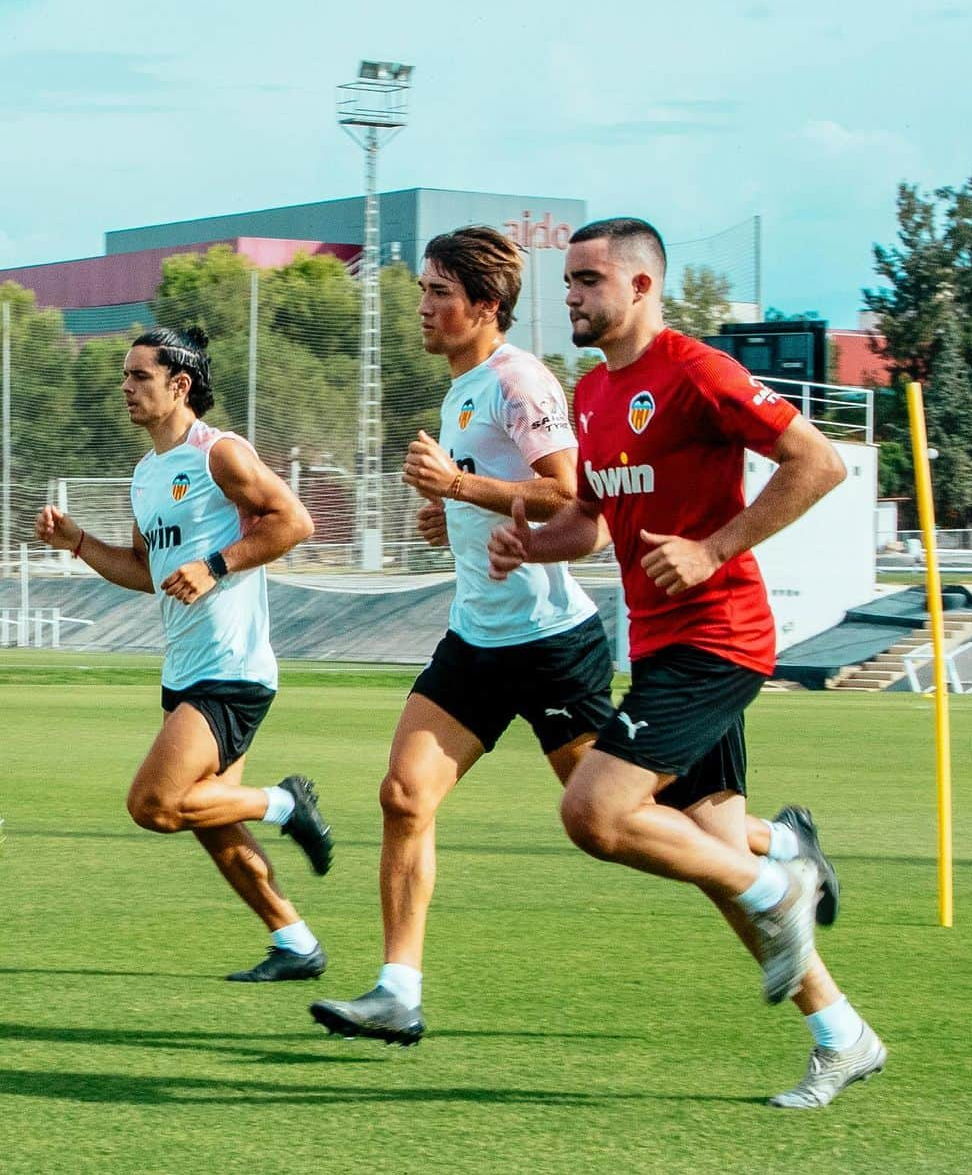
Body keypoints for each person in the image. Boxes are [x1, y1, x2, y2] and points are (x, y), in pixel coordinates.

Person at [309, 226, 838, 1050]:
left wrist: (460, 486)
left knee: (646, 820)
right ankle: (397, 991)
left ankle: (782, 867)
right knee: (405, 795)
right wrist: (455, 512)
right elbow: (579, 519)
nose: (422, 307)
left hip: (555, 645)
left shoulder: (526, 382)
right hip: (479, 640)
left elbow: (558, 493)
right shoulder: (510, 389)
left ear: (484, 306)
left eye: (437, 293)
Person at [488, 218, 886, 1108]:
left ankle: (782, 878)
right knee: (712, 860)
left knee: (593, 813)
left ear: (639, 286)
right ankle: (842, 1033)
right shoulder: (594, 395)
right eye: (569, 281)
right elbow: (590, 521)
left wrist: (713, 547)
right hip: (660, 643)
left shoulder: (697, 371)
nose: (572, 296)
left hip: (719, 639)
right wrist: (530, 544)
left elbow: (817, 463)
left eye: (588, 279)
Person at [34, 326, 334, 983]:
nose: (126, 387)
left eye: (140, 376)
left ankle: (286, 804)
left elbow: (295, 522)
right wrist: (79, 542)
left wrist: (217, 565)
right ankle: (294, 940)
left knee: (153, 804)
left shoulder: (218, 454)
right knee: (210, 817)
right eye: (125, 376)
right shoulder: (146, 475)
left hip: (232, 667)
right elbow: (146, 571)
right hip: (186, 670)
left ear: (180, 384)